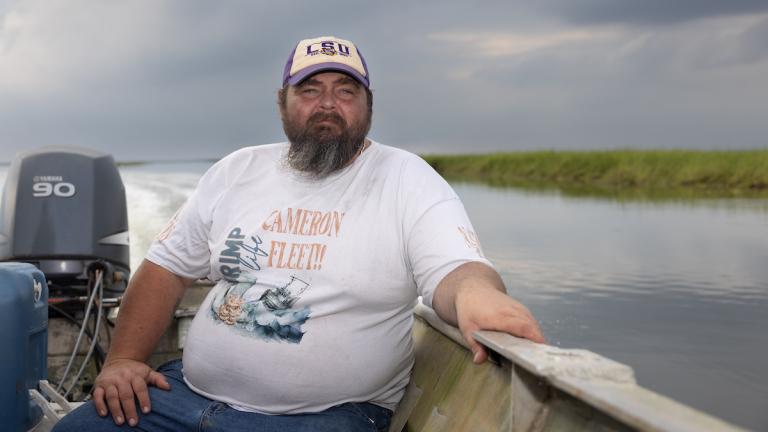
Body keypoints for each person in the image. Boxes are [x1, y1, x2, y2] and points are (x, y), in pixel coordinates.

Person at [53, 35, 544, 432]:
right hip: (181, 396)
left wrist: (478, 296)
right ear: (283, 102)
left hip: (329, 416)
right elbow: (165, 268)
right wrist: (122, 360)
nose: (327, 104)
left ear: (367, 105)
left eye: (345, 91)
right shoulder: (236, 170)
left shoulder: (406, 178)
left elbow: (454, 269)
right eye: (310, 90)